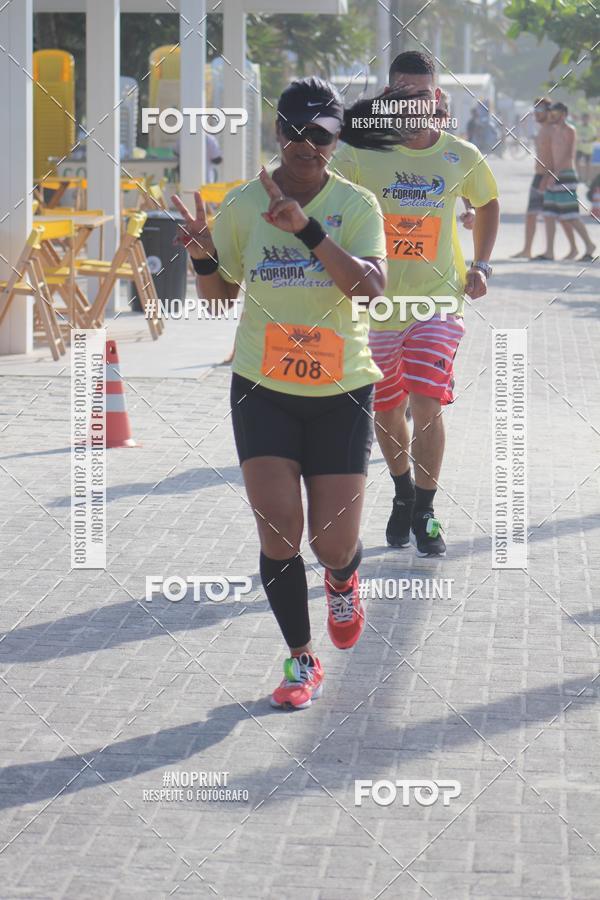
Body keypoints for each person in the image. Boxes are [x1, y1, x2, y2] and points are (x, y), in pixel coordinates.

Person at [172, 77, 411, 710]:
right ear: (279, 133)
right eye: (298, 134)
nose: (308, 148)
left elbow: (370, 289)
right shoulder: (244, 203)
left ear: (336, 141)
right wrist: (201, 258)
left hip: (342, 388)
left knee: (330, 542)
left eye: (322, 137)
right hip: (262, 386)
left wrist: (306, 230)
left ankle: (342, 577)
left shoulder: (357, 204)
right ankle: (301, 660)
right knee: (279, 529)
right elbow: (220, 296)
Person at [334, 50, 499, 557]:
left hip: (438, 302)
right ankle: (403, 493)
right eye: (401, 94)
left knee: (427, 402)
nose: (412, 104)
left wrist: (483, 264)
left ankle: (426, 509)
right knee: (386, 411)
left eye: (422, 95)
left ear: (437, 98)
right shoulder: (361, 153)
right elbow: (328, 199)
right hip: (377, 306)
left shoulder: (459, 154)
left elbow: (488, 201)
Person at [540, 102, 596, 262]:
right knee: (549, 214)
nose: (553, 116)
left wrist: (554, 175)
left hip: (566, 175)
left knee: (570, 214)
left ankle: (589, 245)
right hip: (553, 174)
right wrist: (547, 176)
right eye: (552, 113)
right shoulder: (553, 131)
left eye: (556, 113)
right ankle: (549, 251)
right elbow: (552, 156)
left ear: (563, 114)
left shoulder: (570, 130)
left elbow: (568, 156)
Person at [512, 98, 555, 259]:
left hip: (546, 176)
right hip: (538, 175)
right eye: (535, 110)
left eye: (540, 110)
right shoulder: (541, 130)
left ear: (548, 111)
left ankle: (549, 251)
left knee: (549, 215)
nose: (536, 113)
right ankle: (527, 249)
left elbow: (554, 156)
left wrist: (548, 176)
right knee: (531, 214)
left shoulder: (551, 130)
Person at [576, 112, 596, 186]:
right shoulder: (578, 127)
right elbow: (575, 135)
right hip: (579, 148)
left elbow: (594, 138)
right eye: (584, 118)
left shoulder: (591, 128)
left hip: (588, 149)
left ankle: (588, 180)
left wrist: (588, 141)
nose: (585, 120)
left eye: (586, 118)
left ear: (588, 119)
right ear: (582, 119)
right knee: (576, 162)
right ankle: (579, 177)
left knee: (588, 164)